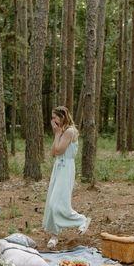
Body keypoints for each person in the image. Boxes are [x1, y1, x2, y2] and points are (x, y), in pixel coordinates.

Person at [43, 106, 91, 249]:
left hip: (66, 168)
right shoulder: (62, 131)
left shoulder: (70, 131)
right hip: (57, 167)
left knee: (58, 203)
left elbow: (59, 150)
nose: (53, 121)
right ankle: (54, 234)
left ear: (62, 117)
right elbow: (53, 152)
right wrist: (57, 133)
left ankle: (81, 220)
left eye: (54, 117)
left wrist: (57, 134)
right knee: (51, 202)